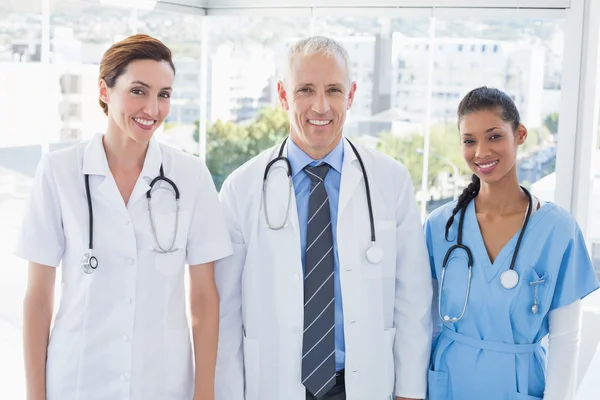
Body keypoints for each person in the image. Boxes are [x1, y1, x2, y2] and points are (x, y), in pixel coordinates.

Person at [214, 36, 432, 400]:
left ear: (351, 95)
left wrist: (410, 391)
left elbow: (413, 297)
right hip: (273, 383)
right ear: (283, 95)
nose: (321, 105)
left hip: (362, 382)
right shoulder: (242, 188)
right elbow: (226, 313)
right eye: (305, 90)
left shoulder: (390, 180)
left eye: (333, 90)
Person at [16, 34, 232, 400]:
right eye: (138, 91)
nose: (152, 108)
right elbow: (38, 299)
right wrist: (34, 396)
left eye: (164, 94)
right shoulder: (59, 172)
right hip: (79, 378)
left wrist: (205, 392)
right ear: (104, 90)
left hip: (162, 380)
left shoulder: (191, 176)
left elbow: (204, 297)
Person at [424, 87, 600, 400]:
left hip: (519, 383)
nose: (481, 152)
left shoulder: (558, 230)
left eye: (494, 136)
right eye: (469, 140)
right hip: (449, 381)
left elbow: (565, 337)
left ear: (519, 134)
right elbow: (424, 321)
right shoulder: (441, 226)